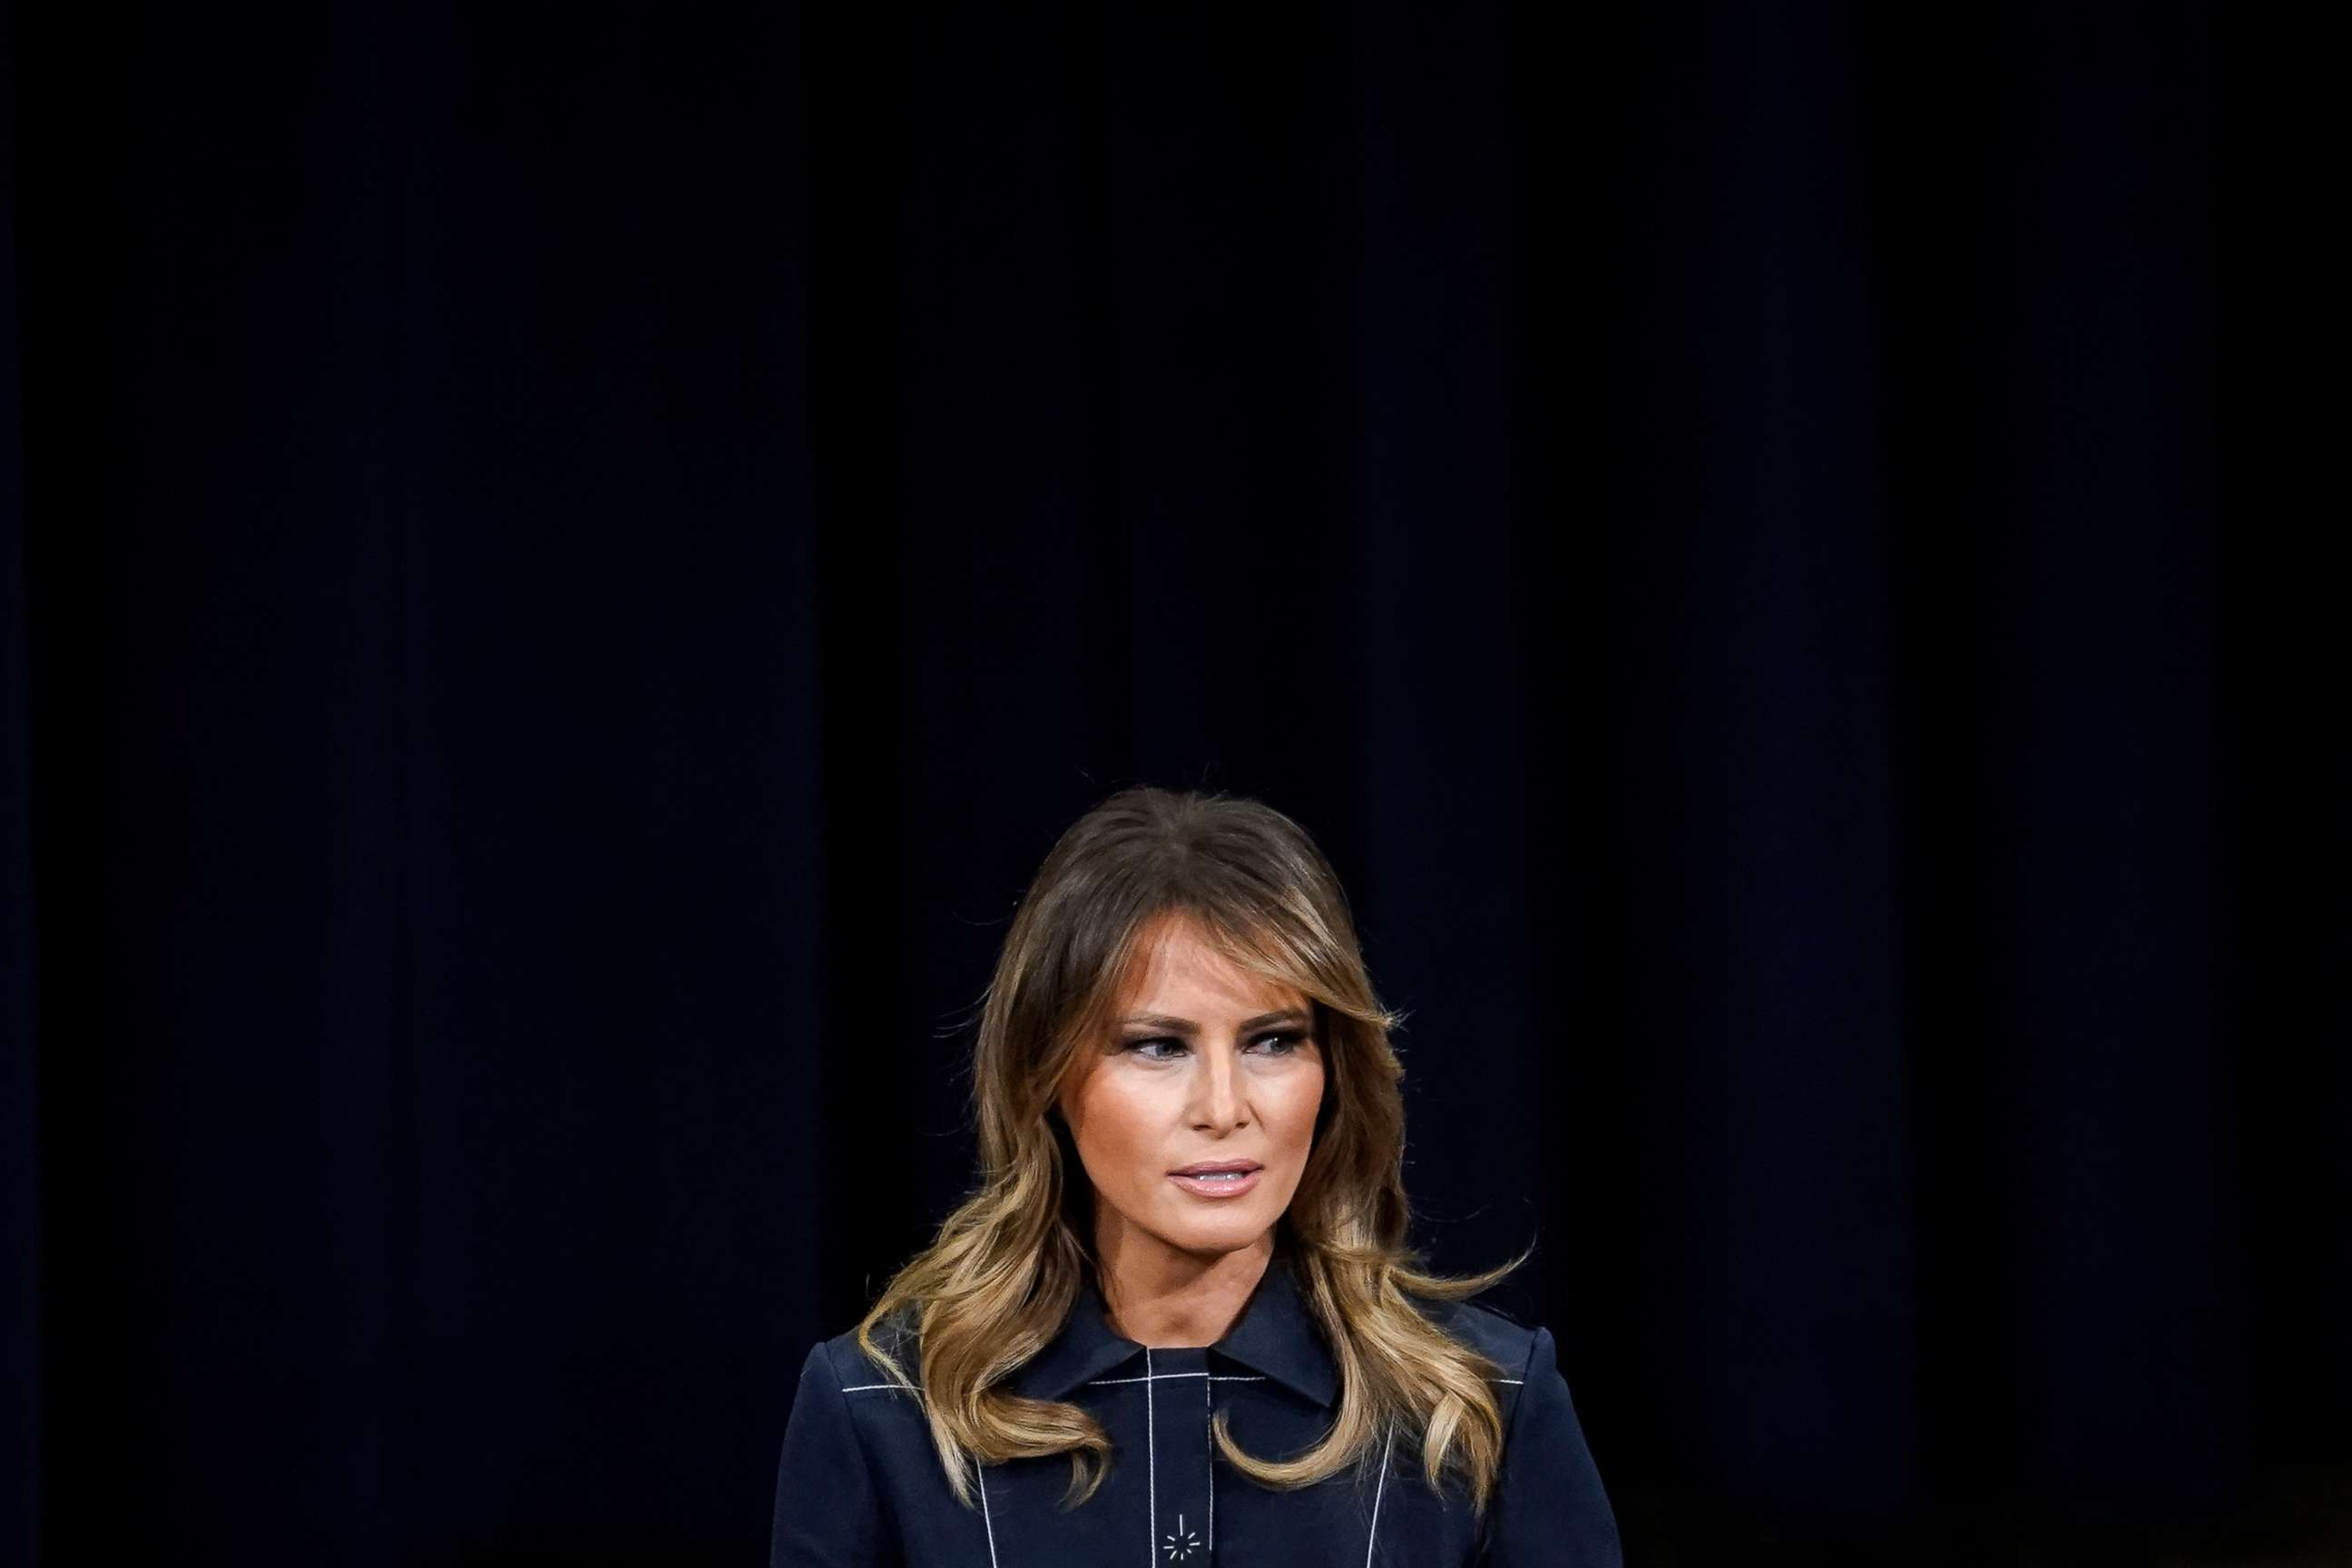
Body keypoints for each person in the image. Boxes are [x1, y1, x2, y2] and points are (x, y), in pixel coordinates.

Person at [770, 786, 1620, 1564]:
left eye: (1273, 1040)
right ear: (1048, 1077)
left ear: (1334, 1074)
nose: (1224, 1106)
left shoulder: (1487, 1406)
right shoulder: (880, 1410)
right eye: (1157, 1045)